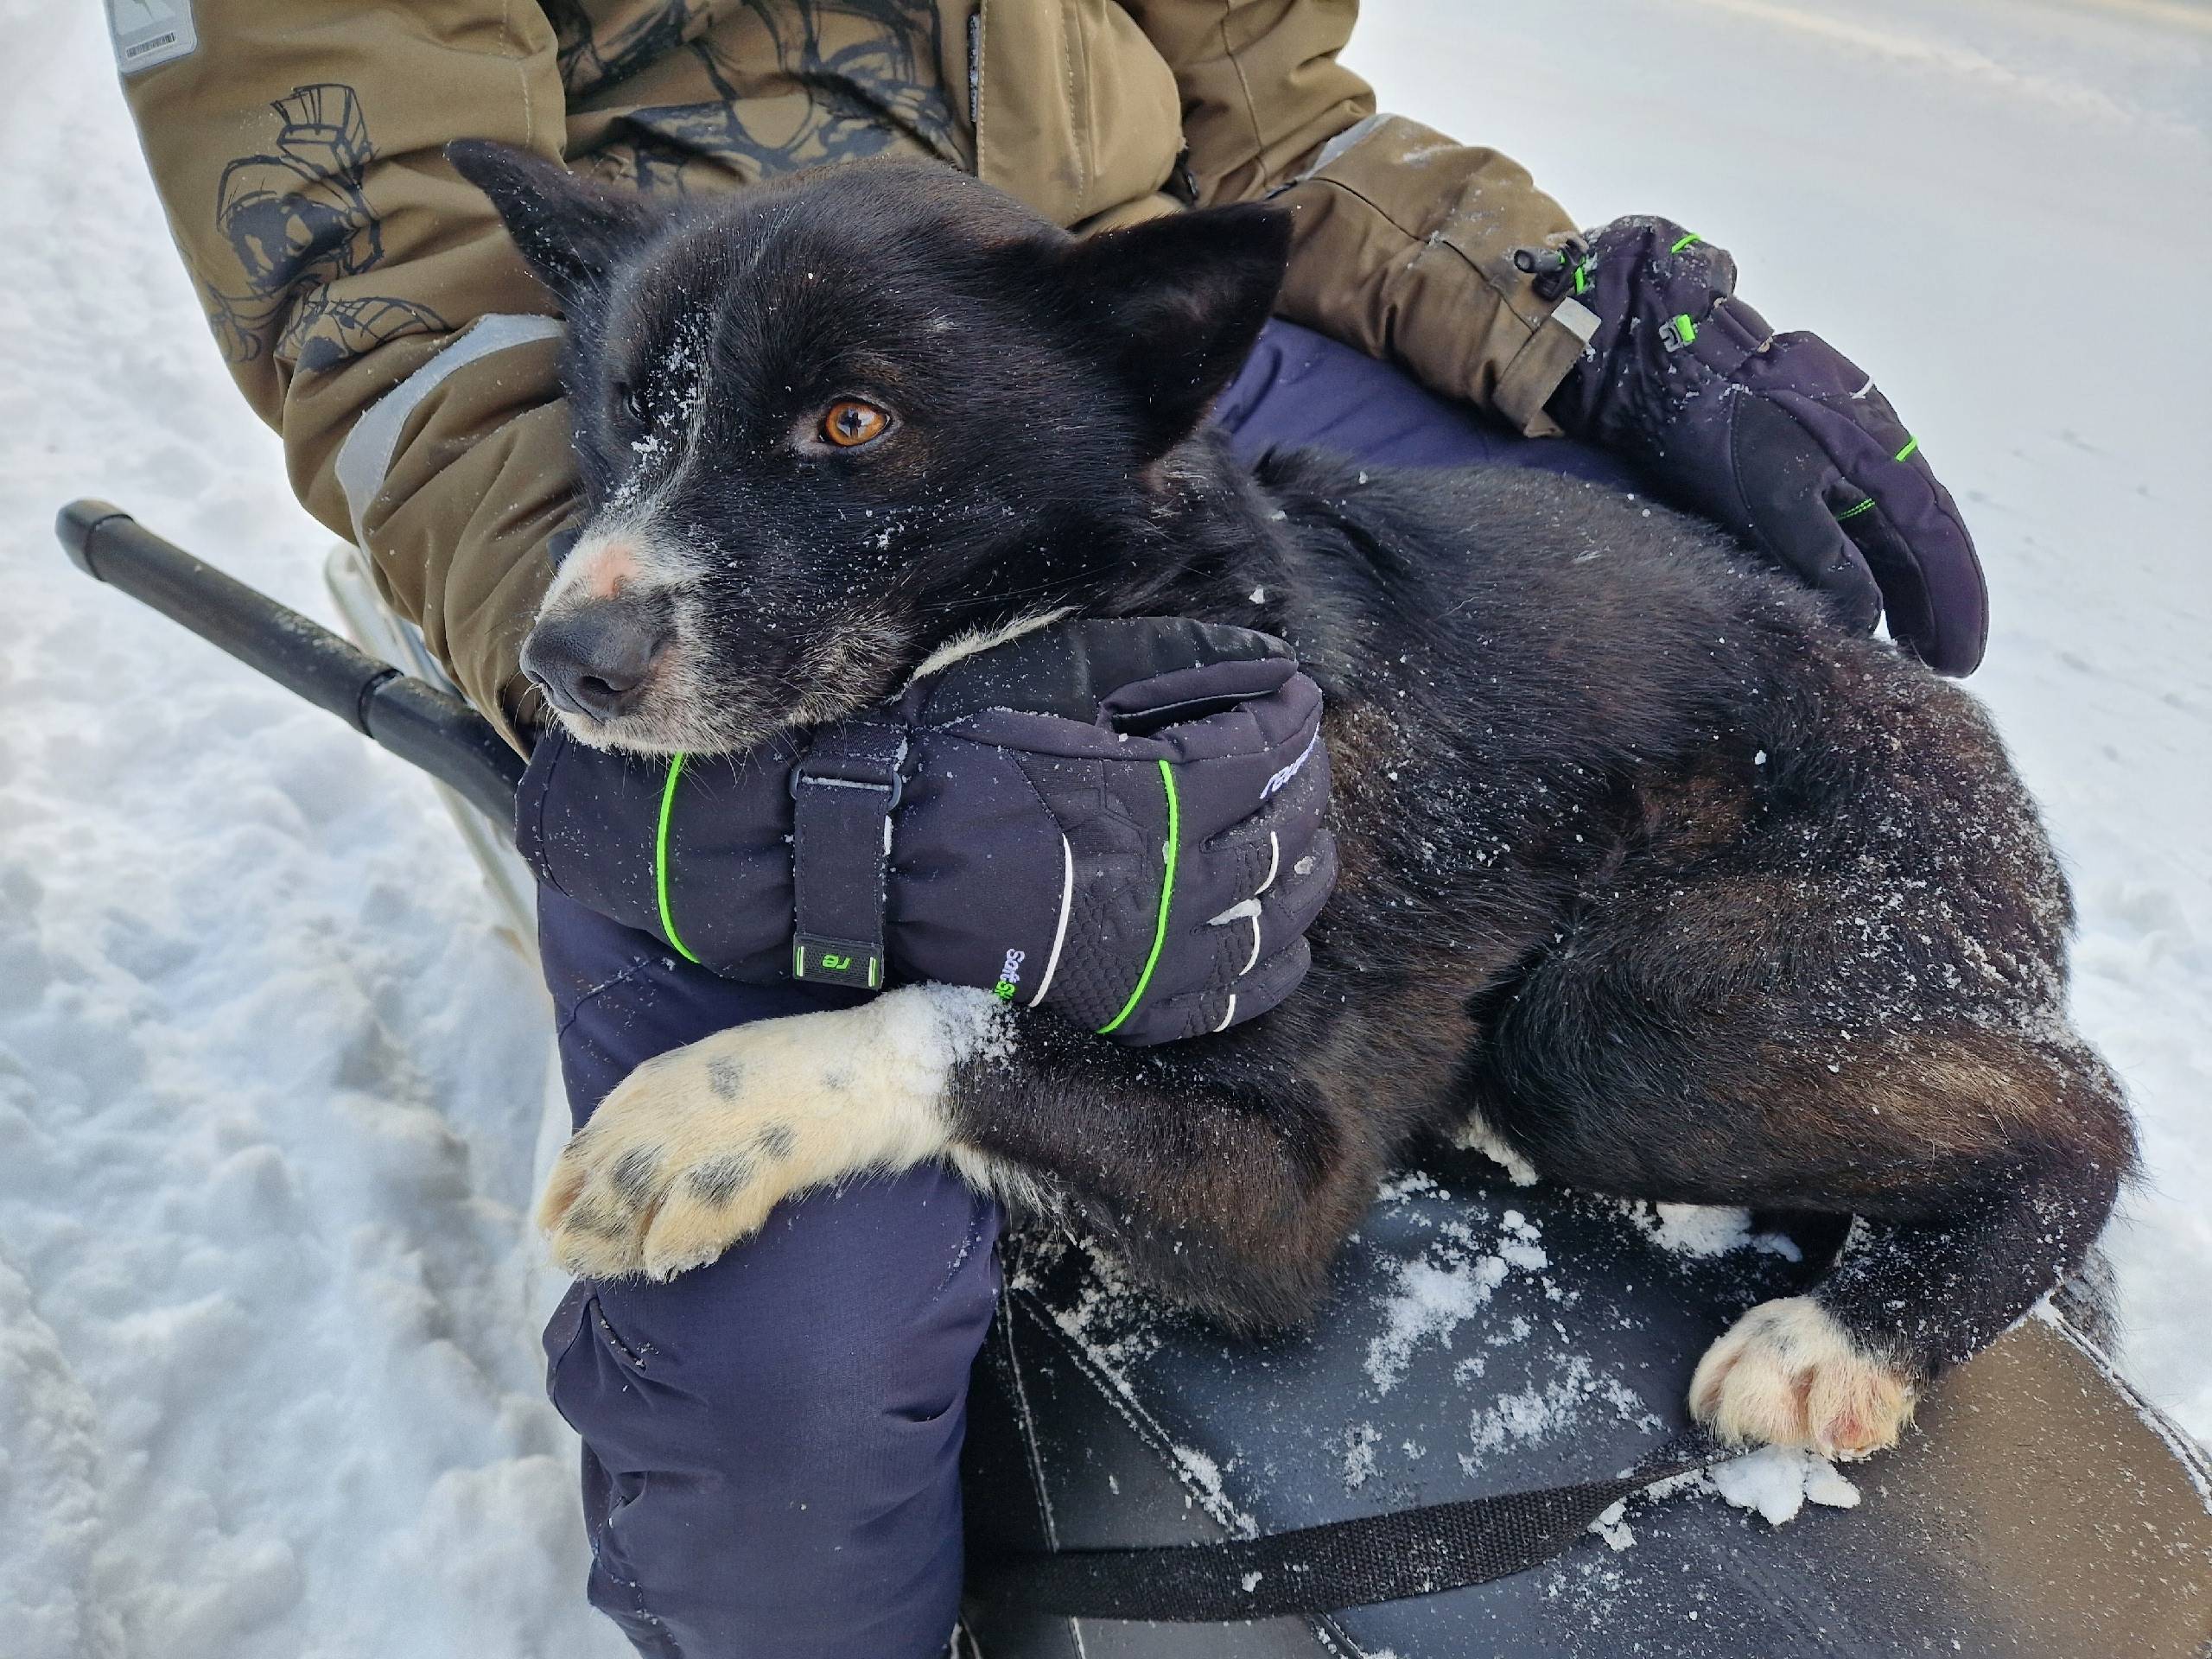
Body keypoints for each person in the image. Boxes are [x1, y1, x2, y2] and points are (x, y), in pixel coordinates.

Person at [112, 4, 1987, 1655]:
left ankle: (1687, 1092)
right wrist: (665, 685)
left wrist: (1563, 313)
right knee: (780, 1369)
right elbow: (385, 306)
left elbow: (1282, 126)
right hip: (629, 361)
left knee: (1681, 602)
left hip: (1103, 335)